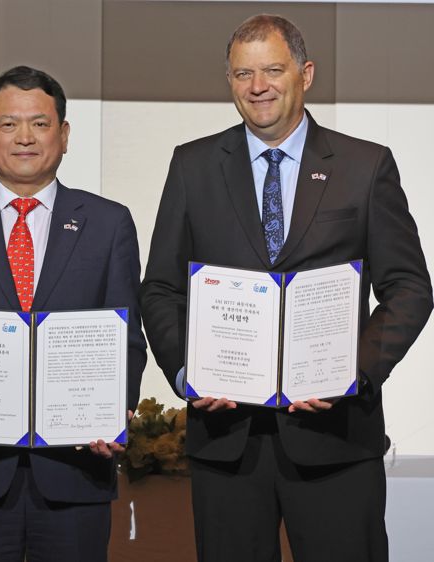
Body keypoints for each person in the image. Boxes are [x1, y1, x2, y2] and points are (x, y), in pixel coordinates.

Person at [140, 14, 432, 562]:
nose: (258, 87)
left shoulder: (364, 166)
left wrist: (355, 370)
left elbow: (410, 287)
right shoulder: (193, 166)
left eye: (273, 70)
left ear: (307, 74)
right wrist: (187, 370)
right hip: (227, 441)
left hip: (337, 439)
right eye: (242, 74)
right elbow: (160, 288)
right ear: (229, 81)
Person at [0, 65, 147, 561]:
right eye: (8, 124)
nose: (24, 138)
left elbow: (124, 337)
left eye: (40, 124)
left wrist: (113, 411)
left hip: (77, 470)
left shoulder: (108, 223)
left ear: (63, 135)